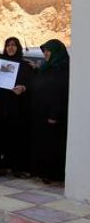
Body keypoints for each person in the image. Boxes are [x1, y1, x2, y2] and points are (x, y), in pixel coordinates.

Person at [0, 37, 34, 178]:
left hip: (18, 108)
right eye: (8, 46)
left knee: (17, 137)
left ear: (18, 47)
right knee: (0, 136)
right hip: (0, 107)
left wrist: (23, 88)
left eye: (13, 45)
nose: (11, 48)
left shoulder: (25, 66)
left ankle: (17, 168)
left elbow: (31, 84)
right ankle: (0, 167)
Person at [29, 39, 69, 184]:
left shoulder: (63, 70)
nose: (45, 53)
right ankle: (43, 173)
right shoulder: (46, 67)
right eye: (44, 51)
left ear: (56, 52)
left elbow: (60, 94)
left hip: (54, 116)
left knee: (54, 145)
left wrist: (54, 114)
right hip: (41, 113)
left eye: (48, 51)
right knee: (43, 144)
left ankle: (54, 175)